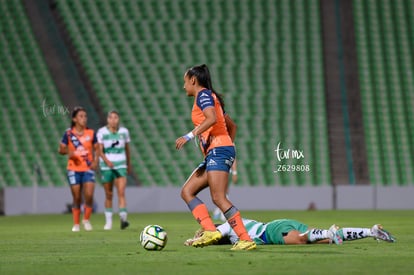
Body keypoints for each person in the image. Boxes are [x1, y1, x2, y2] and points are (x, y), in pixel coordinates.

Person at [175, 64, 256, 251]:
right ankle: (210, 230)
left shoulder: (203, 95)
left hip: (219, 151)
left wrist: (189, 136)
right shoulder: (210, 98)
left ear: (193, 80)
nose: (183, 86)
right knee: (187, 191)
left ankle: (245, 238)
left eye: (184, 81)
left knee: (218, 197)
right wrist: (226, 145)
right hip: (218, 151)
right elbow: (232, 126)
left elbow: (211, 119)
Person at [184, 218, 396, 246]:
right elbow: (217, 239)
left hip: (271, 231)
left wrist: (195, 241)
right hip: (280, 224)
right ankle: (371, 232)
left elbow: (215, 236)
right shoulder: (232, 225)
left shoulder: (226, 224)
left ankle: (329, 233)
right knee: (321, 241)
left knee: (303, 241)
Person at [59, 107, 99, 232]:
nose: (84, 118)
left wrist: (96, 161)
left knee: (89, 195)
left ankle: (86, 220)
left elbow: (97, 149)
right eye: (81, 116)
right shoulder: (68, 134)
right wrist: (69, 152)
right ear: (74, 119)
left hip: (87, 168)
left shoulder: (91, 133)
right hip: (73, 168)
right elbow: (61, 150)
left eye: (85, 116)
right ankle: (76, 224)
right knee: (76, 197)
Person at [96, 110, 131, 230]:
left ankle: (123, 219)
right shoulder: (101, 132)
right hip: (107, 166)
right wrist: (107, 161)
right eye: (111, 118)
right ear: (107, 120)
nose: (113, 120)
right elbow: (99, 150)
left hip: (121, 165)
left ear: (118, 119)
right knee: (109, 194)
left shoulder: (124, 132)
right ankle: (108, 222)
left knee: (121, 192)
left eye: (116, 117)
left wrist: (129, 164)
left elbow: (127, 149)